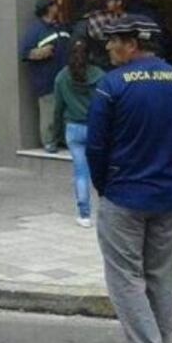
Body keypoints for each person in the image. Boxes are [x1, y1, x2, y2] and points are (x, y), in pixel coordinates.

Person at [87, 14, 172, 343]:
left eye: (114, 41)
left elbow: (96, 146)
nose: (108, 47)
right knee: (160, 275)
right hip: (167, 197)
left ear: (133, 43)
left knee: (125, 279)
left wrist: (105, 187)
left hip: (124, 197)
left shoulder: (112, 85)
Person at [53, 39, 105, 227]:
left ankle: (84, 215)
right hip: (97, 128)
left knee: (81, 173)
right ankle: (108, 210)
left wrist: (53, 139)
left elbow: (57, 109)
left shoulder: (61, 77)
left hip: (73, 129)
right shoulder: (99, 76)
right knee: (103, 170)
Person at [20, 0, 71, 152]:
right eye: (54, 4)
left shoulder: (60, 27)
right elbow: (25, 53)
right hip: (46, 78)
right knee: (49, 112)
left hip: (65, 77)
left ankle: (63, 138)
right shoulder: (35, 30)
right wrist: (40, 52)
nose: (57, 7)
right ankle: (49, 141)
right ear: (48, 8)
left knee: (64, 110)